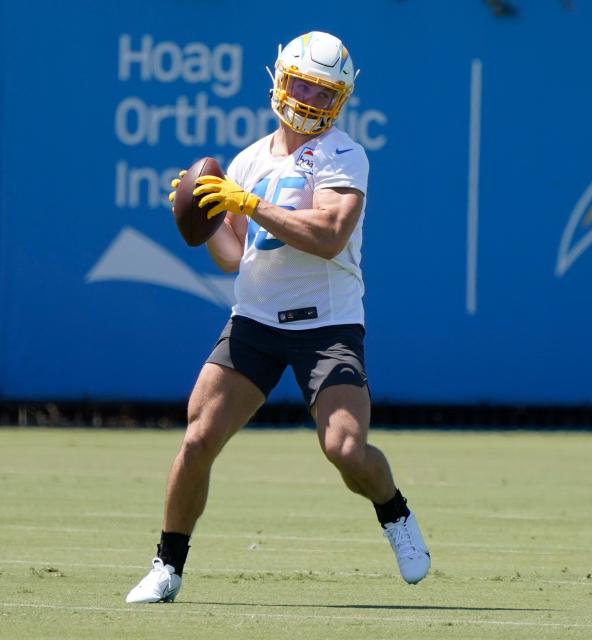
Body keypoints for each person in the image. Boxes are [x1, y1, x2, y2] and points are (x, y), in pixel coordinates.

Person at [125, 31, 430, 604]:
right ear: (279, 81)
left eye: (324, 92)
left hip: (327, 325)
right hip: (256, 321)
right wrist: (207, 213)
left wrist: (248, 203)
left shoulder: (345, 155)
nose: (310, 101)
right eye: (302, 86)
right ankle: (168, 565)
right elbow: (234, 254)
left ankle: (395, 514)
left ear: (341, 100)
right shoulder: (248, 160)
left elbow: (330, 236)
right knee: (198, 437)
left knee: (345, 448)